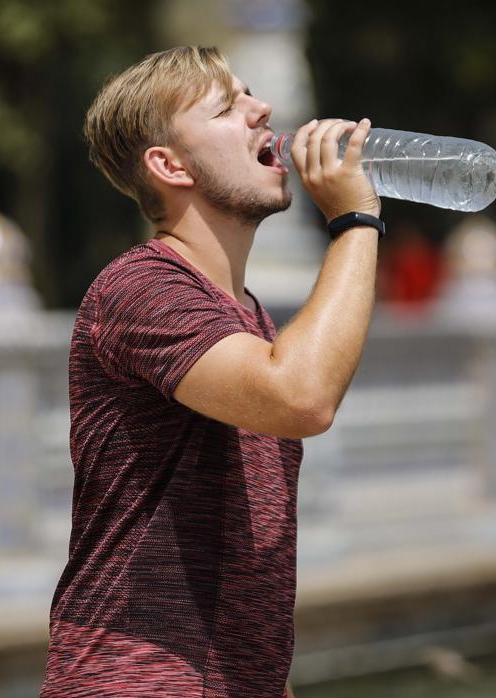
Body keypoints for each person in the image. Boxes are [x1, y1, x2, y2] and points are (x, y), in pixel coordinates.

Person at [40, 46, 383, 697]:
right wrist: (356, 221)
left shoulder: (250, 322)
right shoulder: (140, 287)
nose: (264, 111)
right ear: (169, 165)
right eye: (229, 106)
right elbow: (302, 398)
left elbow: (254, 555)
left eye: (252, 94)